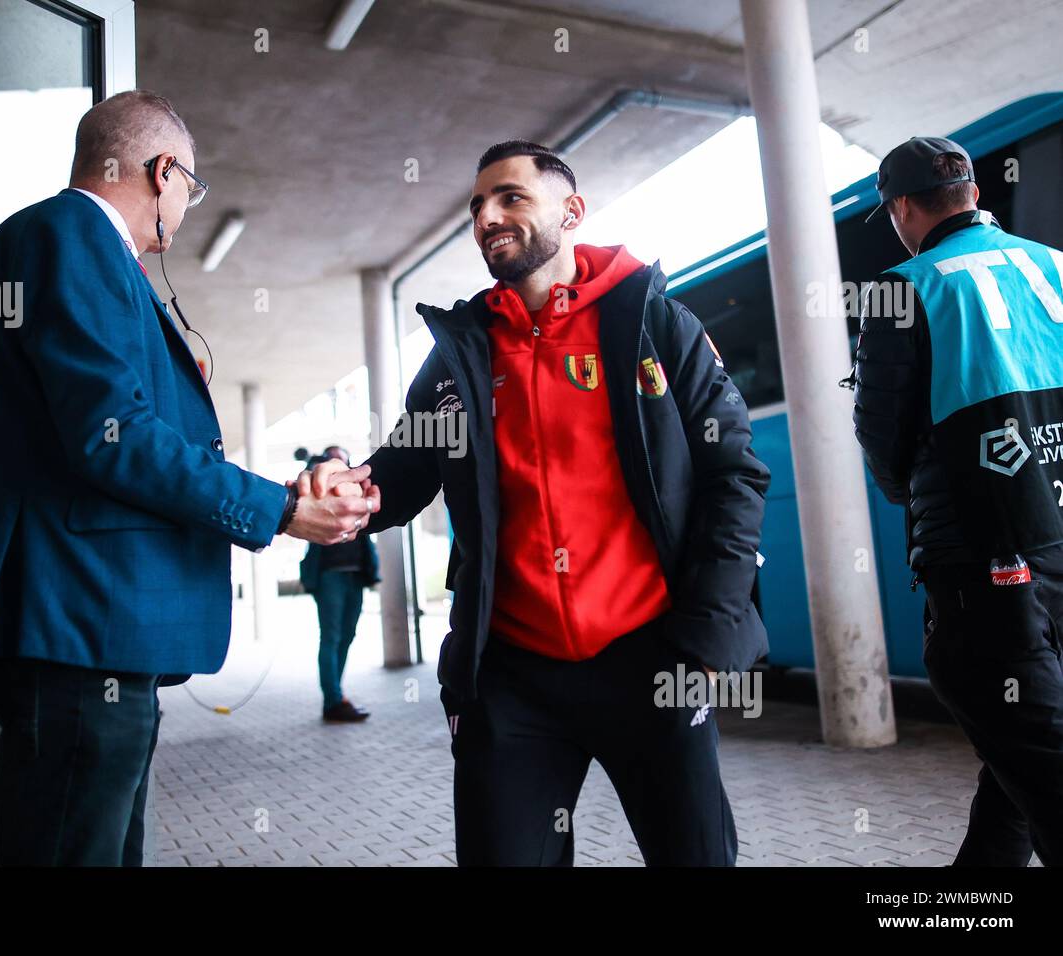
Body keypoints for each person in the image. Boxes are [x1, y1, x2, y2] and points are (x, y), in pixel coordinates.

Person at [0, 90, 377, 866]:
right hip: (76, 621)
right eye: (190, 188)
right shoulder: (73, 235)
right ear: (163, 170)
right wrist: (275, 508)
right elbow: (114, 437)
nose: (187, 208)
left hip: (86, 626)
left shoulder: (71, 248)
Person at [305, 141, 769, 865]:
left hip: (651, 656)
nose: (488, 216)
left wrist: (707, 641)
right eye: (477, 206)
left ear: (571, 210)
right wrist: (351, 487)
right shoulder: (461, 351)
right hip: (513, 677)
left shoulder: (654, 321)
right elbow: (404, 467)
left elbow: (734, 477)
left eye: (510, 197)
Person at [852, 136, 1063, 866]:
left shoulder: (903, 288)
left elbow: (882, 436)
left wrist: (909, 493)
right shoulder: (1056, 266)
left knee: (1038, 758)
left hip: (983, 562)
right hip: (1058, 543)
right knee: (1020, 755)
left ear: (903, 207)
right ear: (971, 192)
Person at [299, 446, 381, 723]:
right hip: (330, 575)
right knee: (331, 637)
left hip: (355, 574)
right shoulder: (319, 484)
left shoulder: (354, 488)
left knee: (347, 635)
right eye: (334, 459)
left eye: (344, 459)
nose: (341, 463)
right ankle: (333, 700)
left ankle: (337, 695)